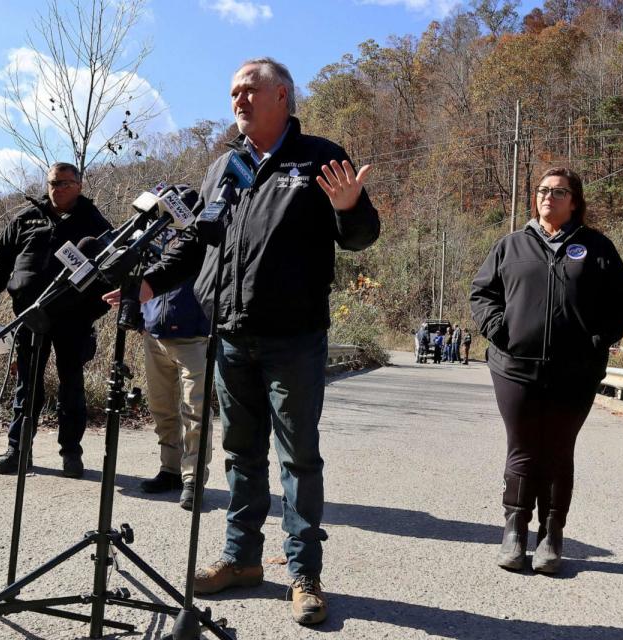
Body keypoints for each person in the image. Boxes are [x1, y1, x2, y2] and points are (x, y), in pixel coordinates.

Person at [104, 57, 379, 625]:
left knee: (298, 457)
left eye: (249, 89)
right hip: (229, 334)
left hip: (294, 338)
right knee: (240, 455)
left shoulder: (321, 157)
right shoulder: (222, 168)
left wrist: (350, 208)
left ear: (282, 95)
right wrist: (145, 286)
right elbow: (196, 244)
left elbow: (360, 237)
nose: (238, 100)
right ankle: (241, 560)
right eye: (233, 92)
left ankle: (303, 573)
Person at [471, 167, 623, 574]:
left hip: (575, 371)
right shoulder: (511, 245)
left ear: (574, 201)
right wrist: (499, 330)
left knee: (559, 451)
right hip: (515, 368)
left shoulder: (597, 248)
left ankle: (552, 535)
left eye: (559, 191)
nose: (549, 197)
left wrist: (596, 341)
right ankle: (514, 531)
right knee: (522, 448)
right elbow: (482, 293)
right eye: (544, 190)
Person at [0, 162, 111, 478]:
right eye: (53, 182)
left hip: (73, 319)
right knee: (27, 386)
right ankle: (18, 451)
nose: (57, 188)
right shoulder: (25, 218)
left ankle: (71, 454)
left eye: (64, 182)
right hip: (29, 315)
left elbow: (109, 273)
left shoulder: (94, 222)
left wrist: (90, 313)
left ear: (79, 185)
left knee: (71, 387)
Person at [139, 228, 214, 511]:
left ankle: (193, 480)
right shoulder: (153, 236)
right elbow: (142, 276)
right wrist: (140, 318)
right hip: (154, 335)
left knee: (195, 410)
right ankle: (169, 470)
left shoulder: (202, 236)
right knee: (162, 409)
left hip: (193, 336)